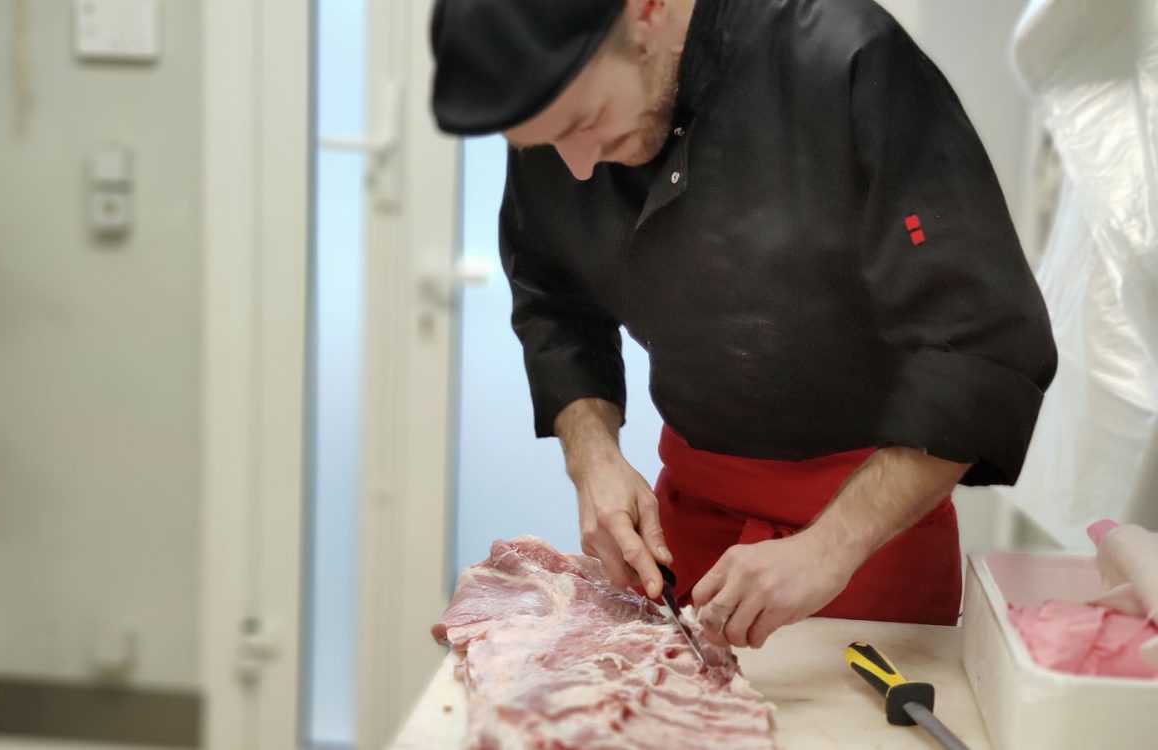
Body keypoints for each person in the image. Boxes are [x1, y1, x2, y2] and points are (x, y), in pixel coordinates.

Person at [430, 0, 1058, 649]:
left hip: (866, 543)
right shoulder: (561, 108)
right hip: (690, 533)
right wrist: (594, 460)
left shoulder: (844, 55)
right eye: (542, 142)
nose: (579, 167)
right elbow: (553, 293)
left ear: (646, 11)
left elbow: (978, 341)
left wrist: (829, 548)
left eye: (588, 123)